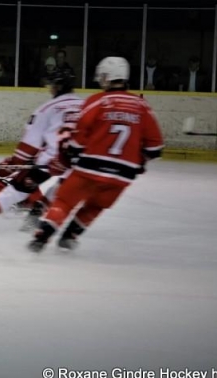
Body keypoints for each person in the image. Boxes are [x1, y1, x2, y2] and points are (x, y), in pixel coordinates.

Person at [27, 57, 164, 252]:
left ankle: (41, 238)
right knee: (96, 206)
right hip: (122, 174)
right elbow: (155, 148)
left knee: (64, 201)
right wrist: (139, 162)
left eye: (102, 77)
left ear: (107, 78)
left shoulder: (97, 101)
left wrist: (67, 156)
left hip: (90, 167)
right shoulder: (142, 106)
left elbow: (78, 136)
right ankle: (70, 236)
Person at [0, 69, 83, 233]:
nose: (50, 88)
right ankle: (35, 215)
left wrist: (13, 164)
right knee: (63, 186)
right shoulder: (86, 106)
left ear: (59, 86)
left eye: (52, 85)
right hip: (83, 160)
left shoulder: (47, 108)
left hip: (52, 157)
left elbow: (30, 145)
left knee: (16, 190)